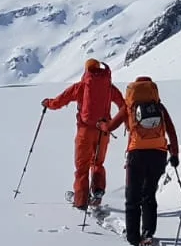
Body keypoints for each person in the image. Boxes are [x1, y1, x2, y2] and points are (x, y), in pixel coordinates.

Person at [104, 75, 180, 246]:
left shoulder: (129, 107)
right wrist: (174, 153)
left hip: (136, 154)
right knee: (149, 194)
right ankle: (148, 232)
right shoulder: (159, 107)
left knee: (133, 197)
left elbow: (110, 126)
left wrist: (102, 126)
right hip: (159, 154)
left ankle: (132, 236)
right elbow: (172, 131)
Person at [43, 58, 125, 210]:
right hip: (103, 131)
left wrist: (48, 103)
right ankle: (98, 190)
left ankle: (81, 201)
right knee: (97, 163)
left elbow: (60, 101)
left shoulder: (81, 86)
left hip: (85, 131)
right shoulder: (109, 86)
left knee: (82, 167)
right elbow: (123, 105)